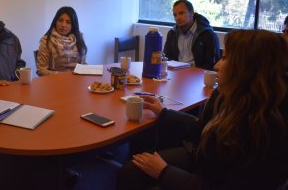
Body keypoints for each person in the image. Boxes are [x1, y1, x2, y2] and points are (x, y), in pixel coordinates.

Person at [117, 29, 288, 190]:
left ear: (248, 69)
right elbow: (203, 128)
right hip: (206, 160)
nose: (217, 66)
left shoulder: (269, 129)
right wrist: (163, 112)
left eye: (226, 58)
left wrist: (164, 172)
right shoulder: (227, 95)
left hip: (210, 175)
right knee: (131, 170)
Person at [164, 0, 220, 70]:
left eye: (181, 13)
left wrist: (192, 72)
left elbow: (211, 65)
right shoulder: (172, 33)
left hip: (198, 76)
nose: (178, 18)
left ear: (192, 13)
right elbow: (166, 57)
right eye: (175, 15)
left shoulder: (207, 34)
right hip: (176, 74)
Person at [36, 6, 87, 76]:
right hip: (54, 81)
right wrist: (64, 75)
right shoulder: (46, 41)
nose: (63, 25)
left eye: (68, 22)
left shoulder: (78, 38)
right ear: (55, 22)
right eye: (60, 20)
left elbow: (83, 65)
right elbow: (41, 70)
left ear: (73, 25)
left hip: (77, 81)